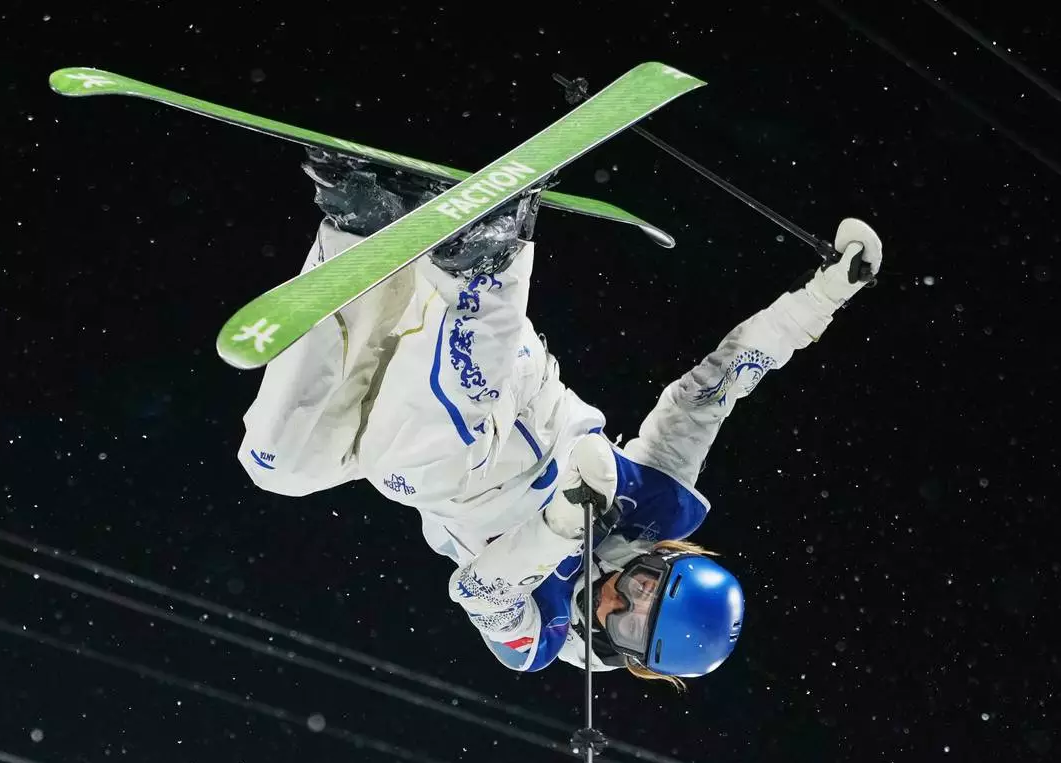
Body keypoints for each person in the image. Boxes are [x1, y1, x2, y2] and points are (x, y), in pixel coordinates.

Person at [237, 148, 883, 684]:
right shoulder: (657, 505)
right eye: (647, 584)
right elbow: (714, 388)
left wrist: (556, 529)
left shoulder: (544, 640)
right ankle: (488, 261)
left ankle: (358, 228)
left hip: (429, 442)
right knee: (410, 470)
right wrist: (820, 300)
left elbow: (478, 593)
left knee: (279, 466)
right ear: (667, 560)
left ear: (633, 659)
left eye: (629, 623)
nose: (619, 597)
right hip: (506, 393)